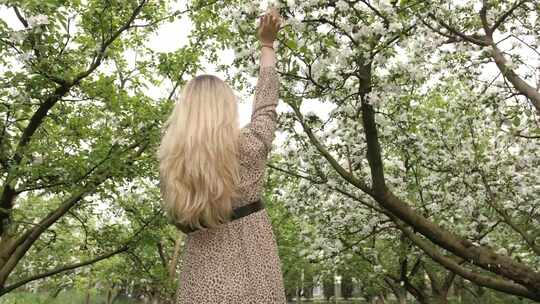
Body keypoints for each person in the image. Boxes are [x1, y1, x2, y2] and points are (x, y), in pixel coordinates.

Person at [157, 7, 286, 304]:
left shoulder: (173, 164)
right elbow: (266, 106)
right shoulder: (249, 147)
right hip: (255, 269)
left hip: (201, 278)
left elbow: (178, 220)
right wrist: (267, 45)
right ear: (226, 110)